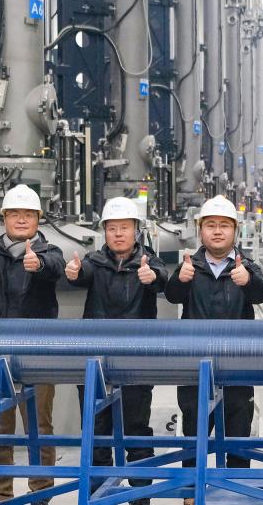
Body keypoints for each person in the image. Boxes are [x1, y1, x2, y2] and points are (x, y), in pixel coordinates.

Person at [0, 184, 65, 504]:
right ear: (4, 217)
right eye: (14, 214)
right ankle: (0, 494)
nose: (21, 219)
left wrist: (38, 265)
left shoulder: (49, 252)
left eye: (28, 214)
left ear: (38, 219)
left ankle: (41, 493)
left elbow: (55, 268)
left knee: (39, 426)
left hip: (37, 353)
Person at [164, 195, 263, 502]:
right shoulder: (190, 266)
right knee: (193, 434)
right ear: (200, 230)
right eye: (211, 225)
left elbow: (262, 295)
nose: (218, 231)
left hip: (238, 366)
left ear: (235, 230)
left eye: (225, 225)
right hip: (195, 366)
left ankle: (235, 493)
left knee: (237, 435)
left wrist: (248, 281)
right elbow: (172, 296)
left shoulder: (246, 266)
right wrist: (180, 280)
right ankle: (190, 494)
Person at [66, 196, 168, 504]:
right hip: (96, 359)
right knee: (96, 429)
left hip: (136, 359)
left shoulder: (149, 262)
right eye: (112, 228)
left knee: (136, 428)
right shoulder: (95, 262)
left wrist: (153, 278)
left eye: (124, 227)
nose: (118, 233)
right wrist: (73, 272)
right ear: (105, 232)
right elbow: (81, 274)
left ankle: (141, 495)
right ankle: (99, 494)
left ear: (136, 230)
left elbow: (164, 280)